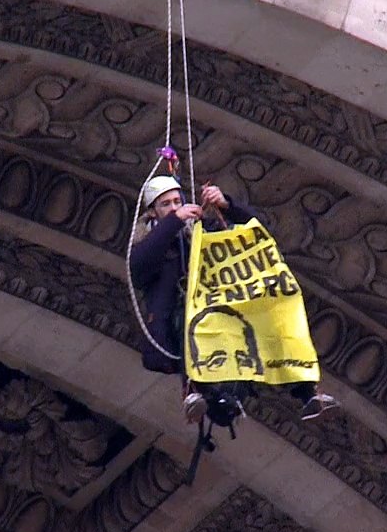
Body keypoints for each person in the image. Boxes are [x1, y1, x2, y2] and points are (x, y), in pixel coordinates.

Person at [129, 176, 333, 424]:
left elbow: (257, 234)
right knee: (192, 327)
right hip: (183, 314)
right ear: (152, 211)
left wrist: (226, 204)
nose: (174, 208)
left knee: (273, 317)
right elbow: (139, 267)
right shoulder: (147, 241)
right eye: (166, 204)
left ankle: (307, 390)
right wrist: (174, 222)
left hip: (223, 302)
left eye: (177, 201)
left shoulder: (203, 230)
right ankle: (201, 393)